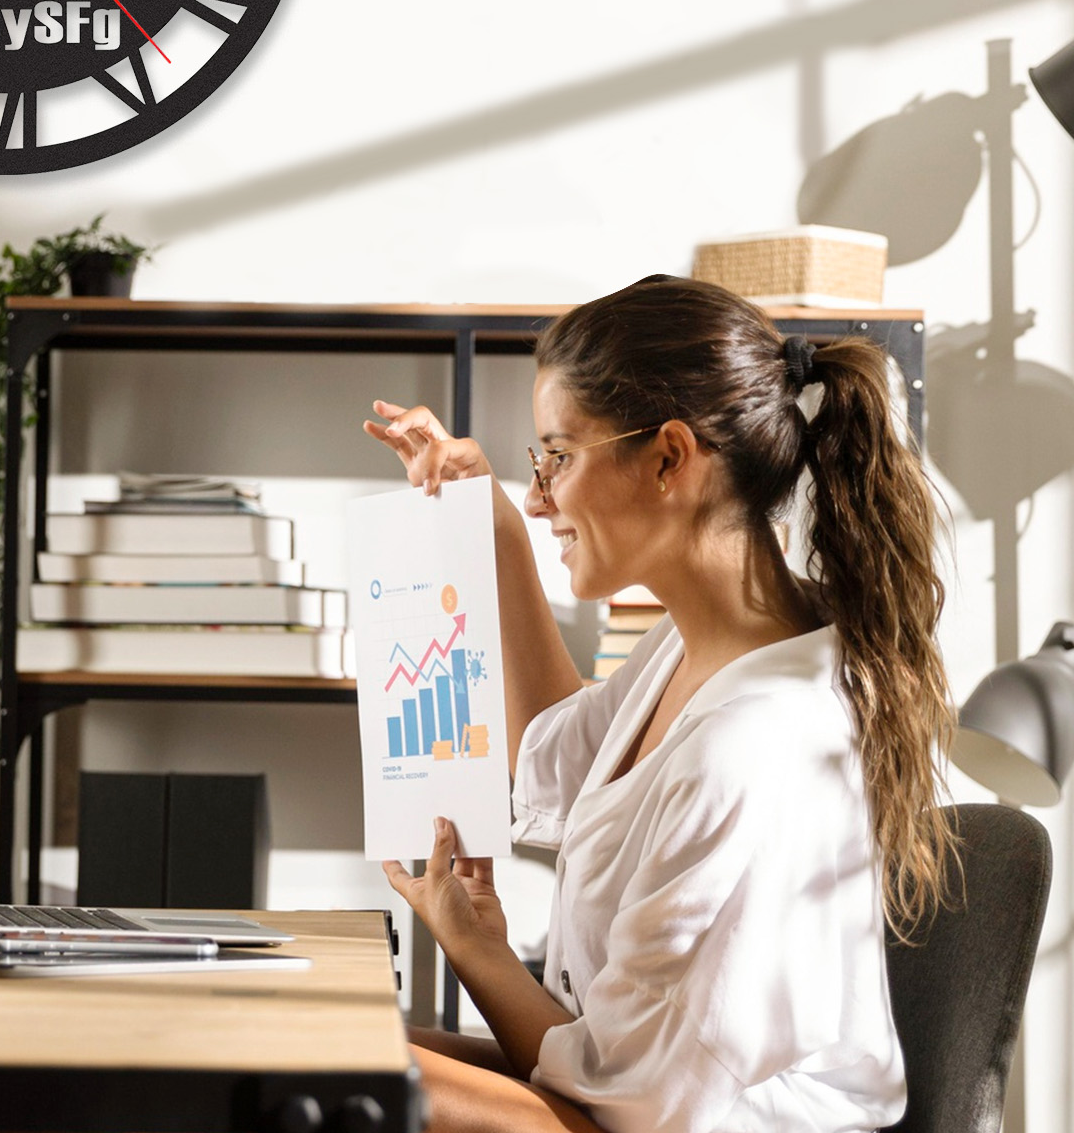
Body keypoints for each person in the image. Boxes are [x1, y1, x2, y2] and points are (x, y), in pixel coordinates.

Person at [363, 275, 955, 1133]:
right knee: (323, 1040)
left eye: (556, 458)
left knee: (308, 1072)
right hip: (633, 1097)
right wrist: (486, 525)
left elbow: (632, 1108)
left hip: (660, 1121)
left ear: (670, 458)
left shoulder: (756, 744)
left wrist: (475, 949)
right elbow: (547, 753)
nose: (539, 496)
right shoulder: (693, 648)